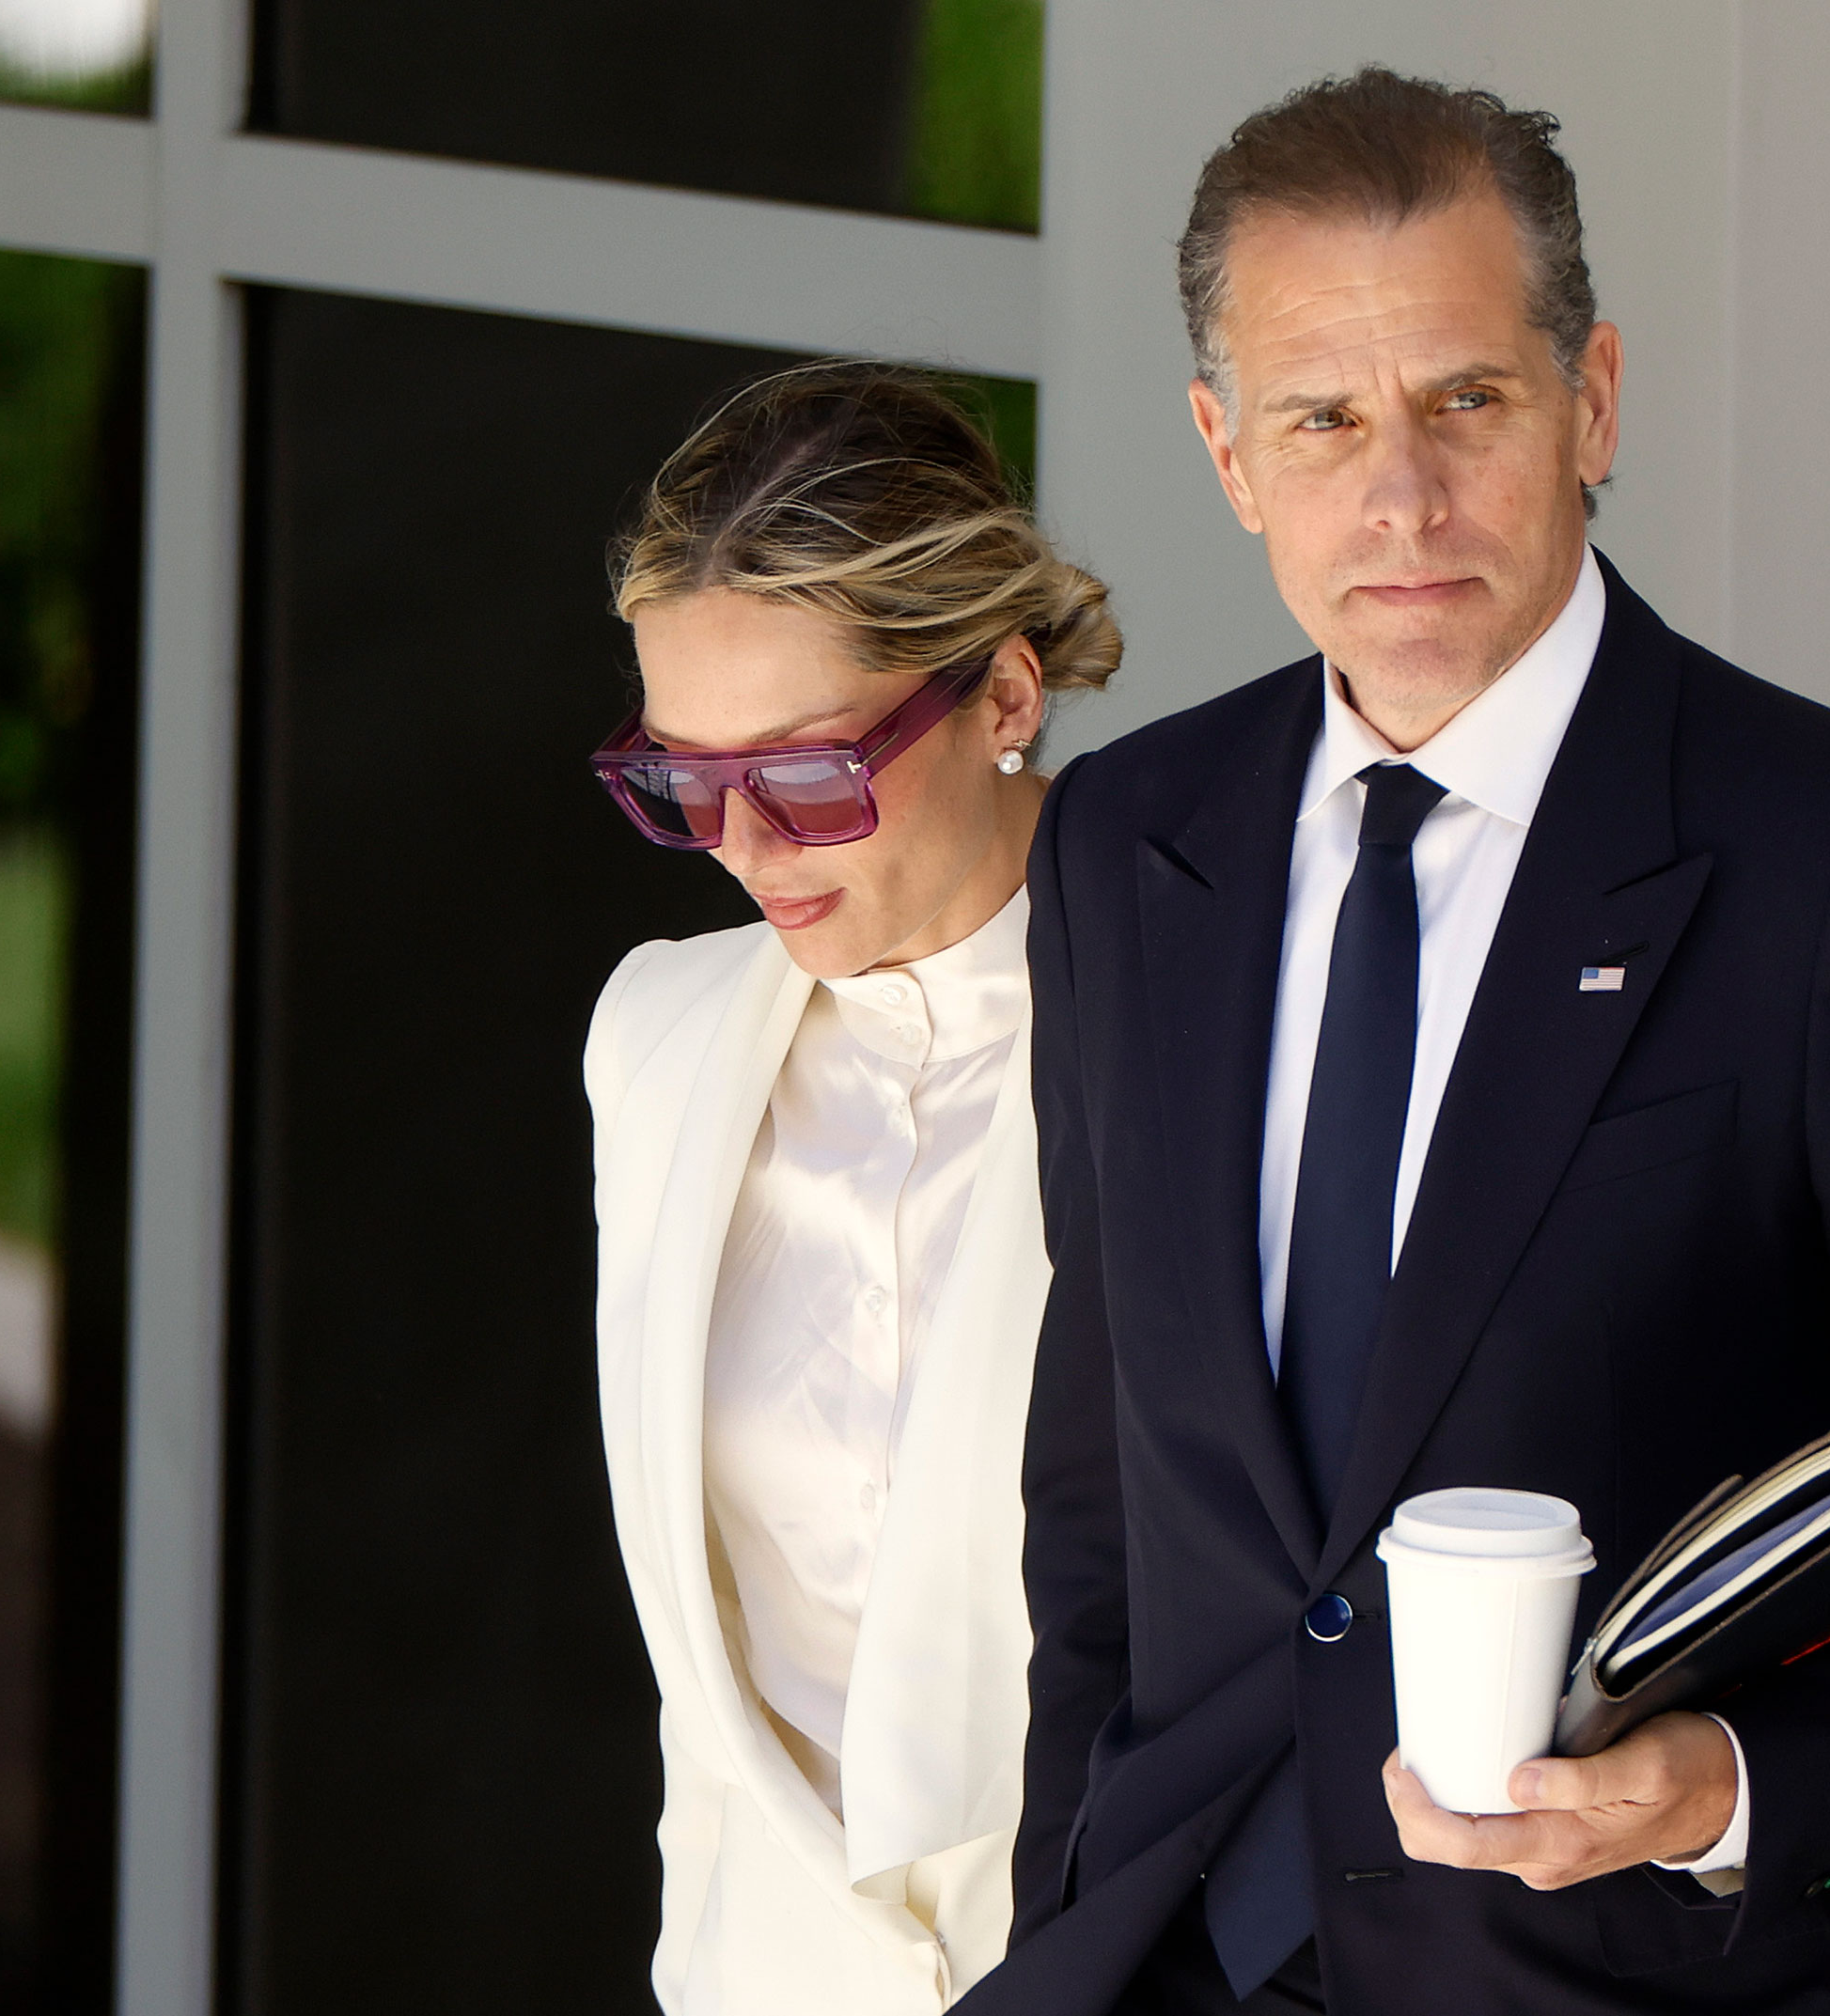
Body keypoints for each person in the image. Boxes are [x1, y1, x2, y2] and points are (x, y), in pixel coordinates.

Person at [973, 70, 1830, 2016]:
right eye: (1323, 418)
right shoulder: (1132, 845)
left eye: (1469, 399)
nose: (1402, 495)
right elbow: (1105, 1499)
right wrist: (1072, 1921)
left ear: (1591, 399)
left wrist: (1721, 1782)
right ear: (1226, 450)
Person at [582, 363, 1118, 2011]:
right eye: (679, 780)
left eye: (810, 775)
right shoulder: (657, 1040)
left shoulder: (1202, 1030)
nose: (745, 843)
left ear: (1006, 693)